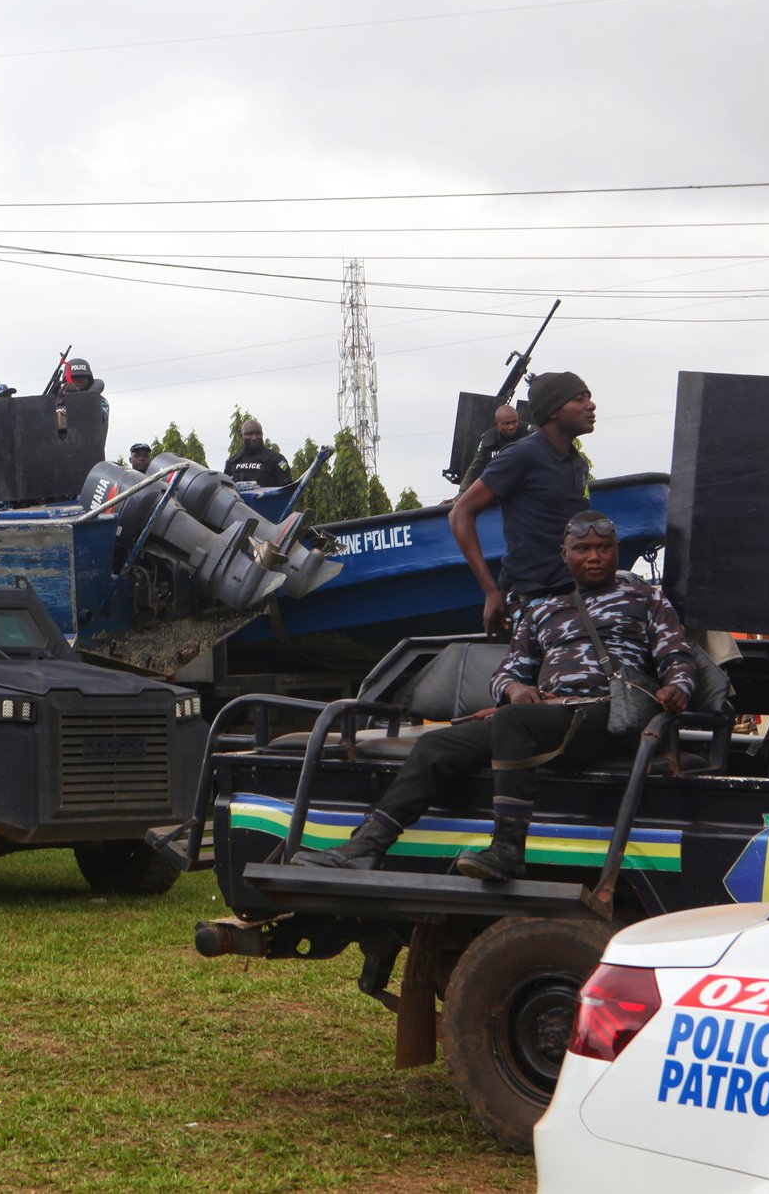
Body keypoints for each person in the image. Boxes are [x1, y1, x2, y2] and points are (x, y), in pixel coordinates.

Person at [294, 511, 695, 880]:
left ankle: (507, 849)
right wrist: (515, 688)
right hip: (548, 718)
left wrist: (677, 687)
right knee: (437, 745)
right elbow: (508, 671)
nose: (595, 557)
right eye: (583, 549)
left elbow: (676, 654)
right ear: (565, 554)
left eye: (604, 549)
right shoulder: (543, 610)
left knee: (511, 720)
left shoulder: (646, 599)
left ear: (616, 551)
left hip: (608, 715)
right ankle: (365, 847)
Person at [449, 371, 595, 637]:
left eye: (589, 398)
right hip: (535, 602)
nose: (591, 405)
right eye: (579, 399)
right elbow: (460, 513)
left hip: (575, 597)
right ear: (552, 411)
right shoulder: (522, 455)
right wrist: (490, 591)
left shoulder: (578, 463)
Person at [458, 404, 528, 491]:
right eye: (506, 424)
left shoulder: (529, 432)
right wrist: (462, 492)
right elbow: (475, 467)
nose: (511, 427)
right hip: (499, 487)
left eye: (514, 422)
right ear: (497, 424)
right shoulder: (488, 439)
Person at [225, 420, 292, 487]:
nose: (254, 438)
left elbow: (288, 490)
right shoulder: (232, 462)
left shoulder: (278, 460)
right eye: (249, 434)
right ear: (241, 435)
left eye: (258, 434)